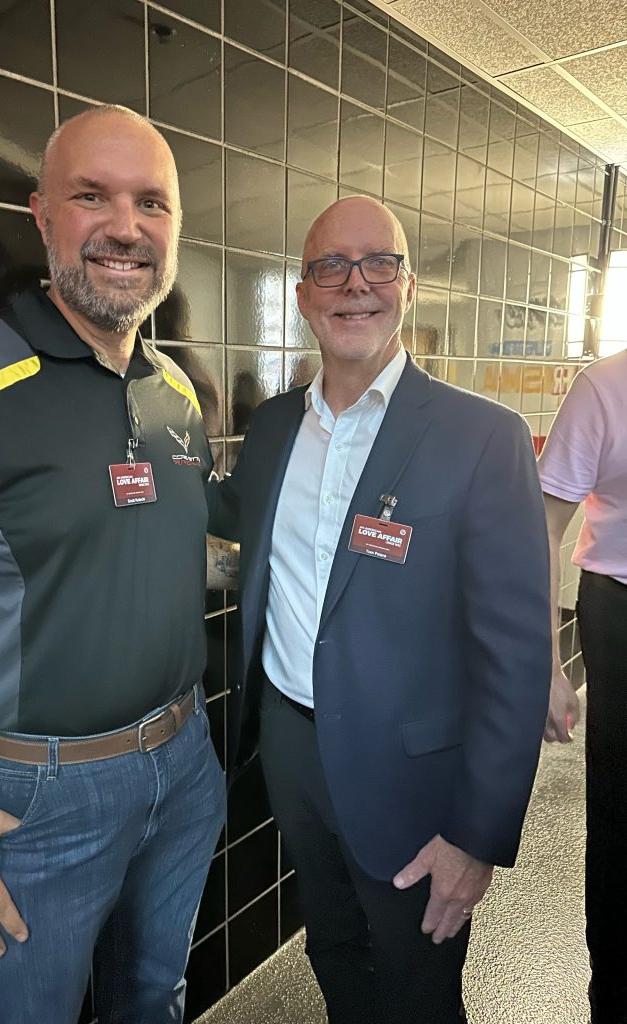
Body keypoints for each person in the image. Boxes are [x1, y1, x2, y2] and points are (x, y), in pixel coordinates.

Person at [0, 106, 226, 1024]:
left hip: (183, 764)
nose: (125, 226)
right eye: (91, 196)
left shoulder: (175, 390)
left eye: (153, 203)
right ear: (41, 216)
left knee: (156, 997)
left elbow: (158, 557)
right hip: (34, 798)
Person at [208, 196, 551, 1024]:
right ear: (302, 294)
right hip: (292, 748)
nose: (355, 284)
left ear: (408, 285)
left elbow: (516, 655)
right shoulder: (276, 427)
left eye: (379, 264)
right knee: (332, 950)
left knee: (418, 987)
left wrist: (478, 837)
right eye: (331, 266)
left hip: (414, 777)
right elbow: (230, 514)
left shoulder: (482, 437)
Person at [537, 348, 627, 1024]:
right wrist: (546, 663)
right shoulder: (606, 386)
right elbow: (544, 528)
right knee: (622, 817)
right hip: (620, 610)